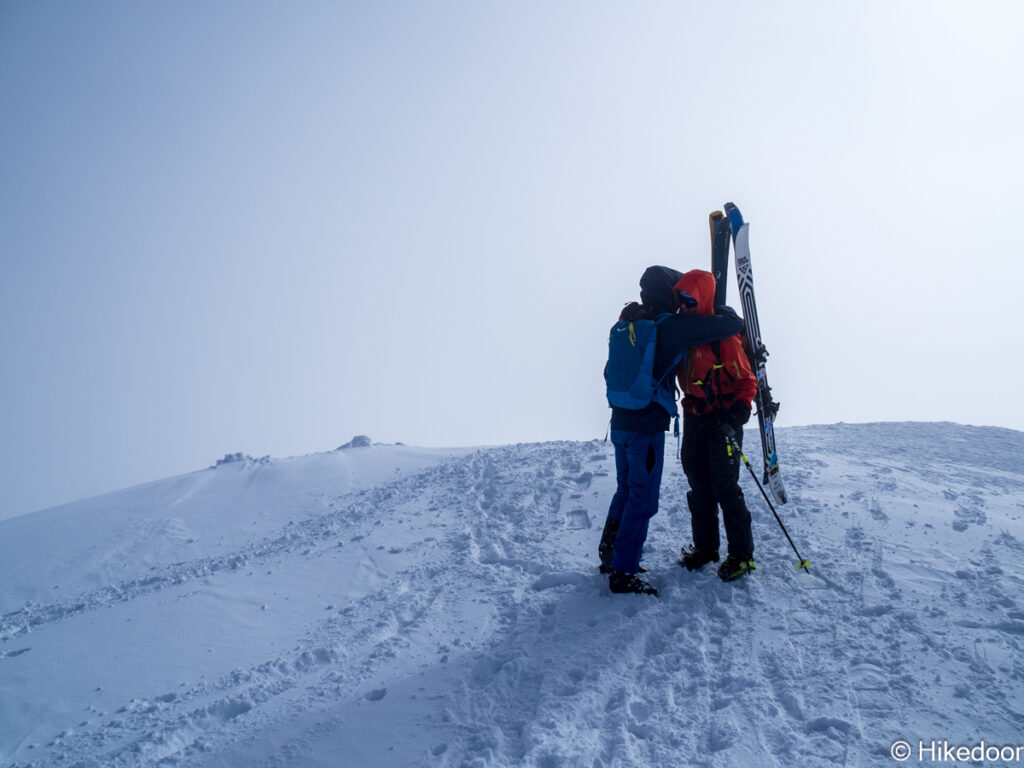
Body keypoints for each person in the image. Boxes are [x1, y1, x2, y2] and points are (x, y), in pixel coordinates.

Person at [599, 266, 744, 595]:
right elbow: (731, 325)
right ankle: (622, 572)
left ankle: (610, 555)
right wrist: (721, 307)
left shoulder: (628, 321)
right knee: (643, 499)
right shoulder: (669, 326)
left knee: (626, 491)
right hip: (645, 425)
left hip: (620, 422)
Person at [672, 269, 759, 581]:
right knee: (699, 482)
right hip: (696, 416)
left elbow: (747, 381)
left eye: (690, 300)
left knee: (725, 485)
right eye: (680, 299)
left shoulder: (725, 339)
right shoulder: (686, 334)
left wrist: (738, 414)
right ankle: (706, 548)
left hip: (723, 418)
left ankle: (742, 556)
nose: (684, 305)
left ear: (704, 299)